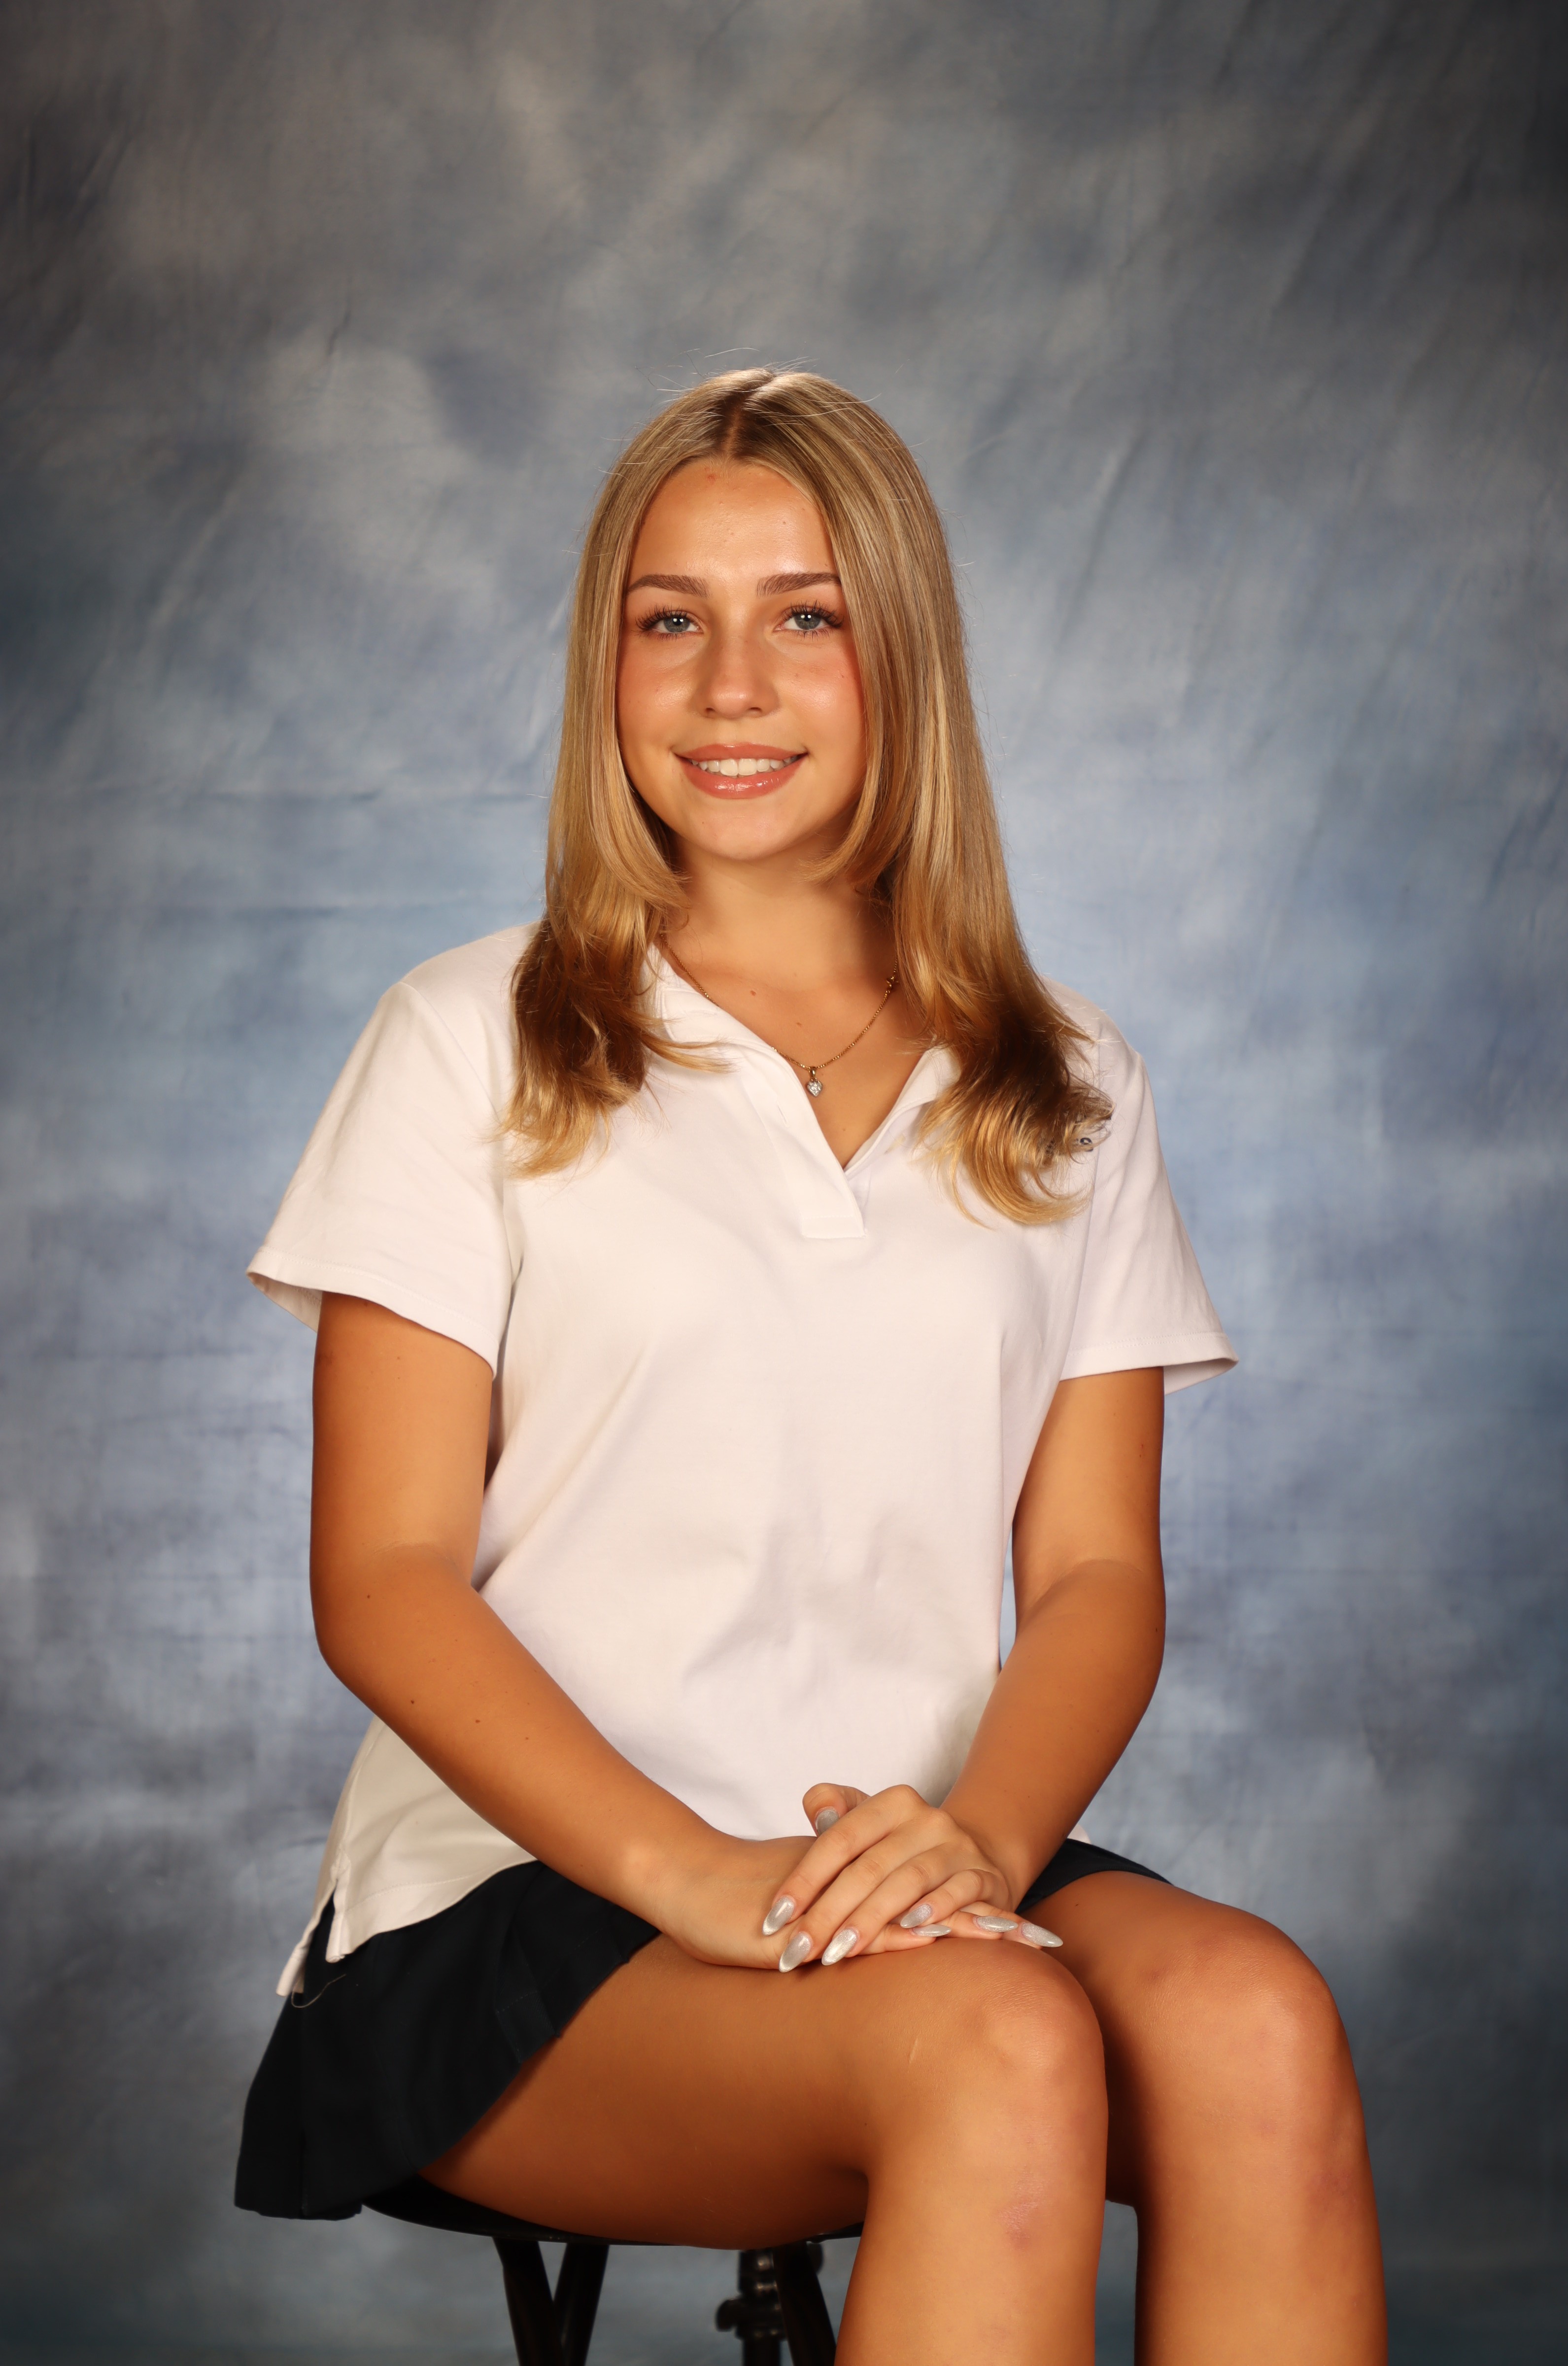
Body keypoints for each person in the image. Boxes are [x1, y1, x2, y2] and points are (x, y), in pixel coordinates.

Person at [235, 368, 1386, 2364]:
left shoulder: (1067, 1081)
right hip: (523, 1906)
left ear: (903, 660)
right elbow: (385, 1580)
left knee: (1254, 2021)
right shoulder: (468, 1040)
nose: (729, 685)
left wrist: (982, 1844)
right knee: (1001, 2038)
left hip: (917, 1868)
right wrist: (703, 1880)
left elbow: (1094, 1575)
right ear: (606, 663)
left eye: (807, 615)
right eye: (667, 617)